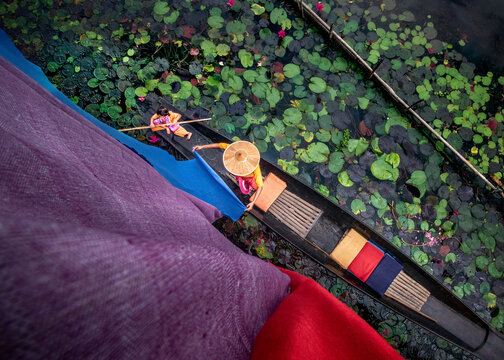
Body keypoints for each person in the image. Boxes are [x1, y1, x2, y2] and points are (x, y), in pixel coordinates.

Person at [193, 141, 263, 211]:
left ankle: (250, 186)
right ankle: (243, 182)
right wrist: (202, 146)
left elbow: (260, 186)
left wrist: (253, 202)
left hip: (250, 178)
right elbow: (219, 145)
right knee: (244, 188)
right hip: (241, 176)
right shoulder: (234, 150)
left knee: (253, 188)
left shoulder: (255, 167)